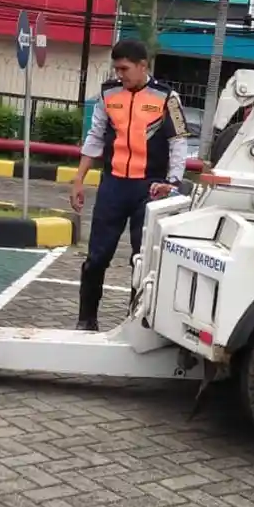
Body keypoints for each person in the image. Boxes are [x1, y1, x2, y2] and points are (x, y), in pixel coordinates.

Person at [70, 39, 189, 331]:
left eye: (125, 68)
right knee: (97, 256)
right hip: (113, 186)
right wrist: (79, 179)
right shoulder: (108, 94)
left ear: (142, 66)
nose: (120, 74)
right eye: (117, 69)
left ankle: (135, 324)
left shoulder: (167, 97)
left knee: (141, 260)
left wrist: (172, 183)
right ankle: (86, 320)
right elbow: (95, 136)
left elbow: (179, 143)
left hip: (149, 189)